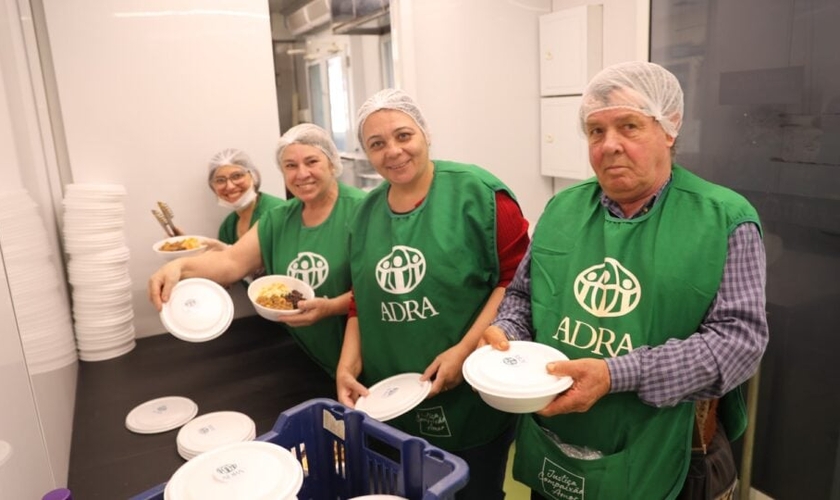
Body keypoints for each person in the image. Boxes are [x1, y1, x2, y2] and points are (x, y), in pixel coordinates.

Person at [483, 61, 768, 500]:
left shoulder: (725, 221)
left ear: (669, 129)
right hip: (557, 439)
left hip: (669, 450)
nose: (609, 145)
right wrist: (507, 331)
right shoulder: (562, 211)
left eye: (629, 126)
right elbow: (522, 294)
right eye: (596, 131)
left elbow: (738, 342)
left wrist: (617, 375)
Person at [335, 89, 531, 499]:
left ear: (425, 133)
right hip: (391, 396)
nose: (393, 151)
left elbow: (515, 280)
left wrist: (465, 349)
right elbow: (361, 298)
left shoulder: (479, 194)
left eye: (403, 135)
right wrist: (347, 364)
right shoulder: (365, 214)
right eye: (377, 144)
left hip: (469, 395)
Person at [149, 124, 367, 377]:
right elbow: (230, 262)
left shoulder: (363, 210)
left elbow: (378, 288)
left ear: (332, 163)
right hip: (315, 353)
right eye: (290, 166)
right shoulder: (278, 219)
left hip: (366, 356)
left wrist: (330, 308)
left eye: (312, 161)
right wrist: (177, 267)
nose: (302, 173)